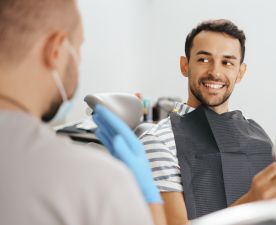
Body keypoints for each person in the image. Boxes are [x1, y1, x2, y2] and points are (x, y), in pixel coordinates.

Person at [0, 0, 166, 224]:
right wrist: (147, 195)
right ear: (56, 49)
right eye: (77, 49)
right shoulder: (95, 182)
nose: (78, 65)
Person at [138, 19, 276, 225]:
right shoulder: (158, 142)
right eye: (204, 59)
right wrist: (252, 203)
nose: (215, 72)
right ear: (184, 65)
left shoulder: (257, 136)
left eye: (227, 62)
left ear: (240, 73)